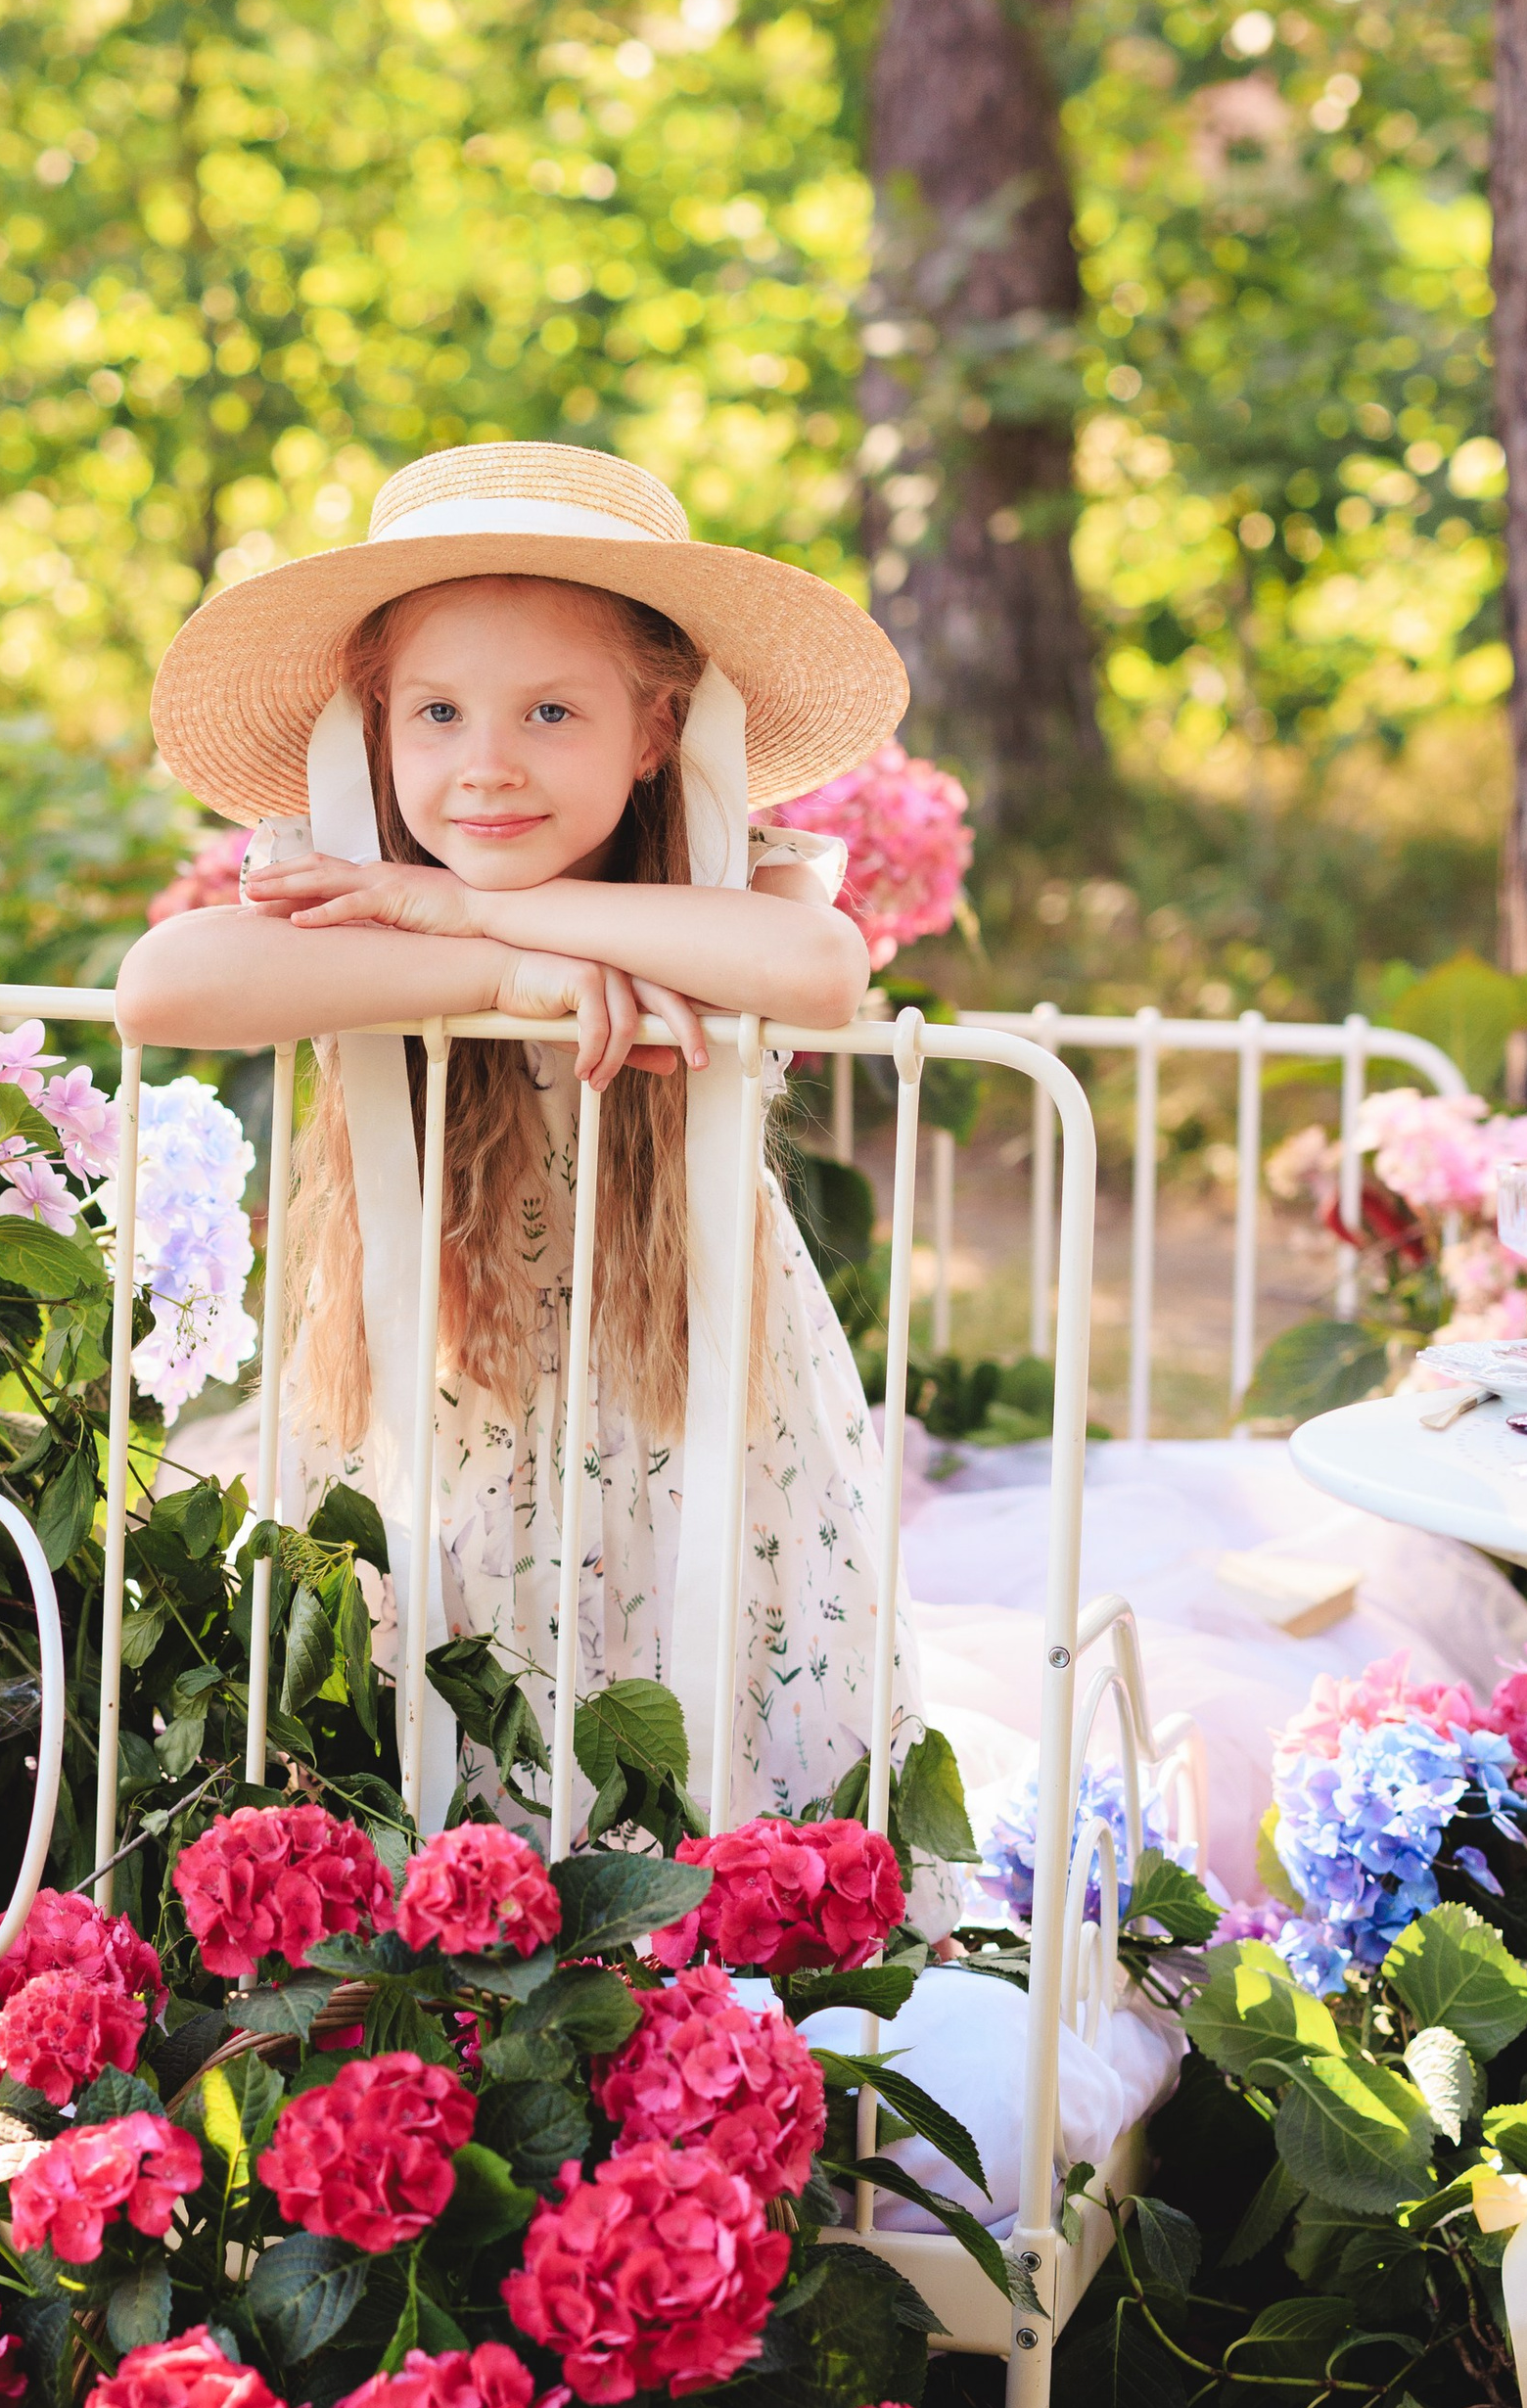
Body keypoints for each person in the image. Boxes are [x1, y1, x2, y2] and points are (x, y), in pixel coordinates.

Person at [116, 439, 931, 1829]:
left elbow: (822, 972)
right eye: (436, 712)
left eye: (551, 711)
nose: (486, 765)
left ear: (655, 731)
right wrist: (501, 977)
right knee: (435, 1691)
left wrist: (461, 908)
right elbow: (162, 987)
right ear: (378, 729)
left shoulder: (719, 897)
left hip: (673, 1402)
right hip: (448, 1392)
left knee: (696, 1710)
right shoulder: (349, 907)